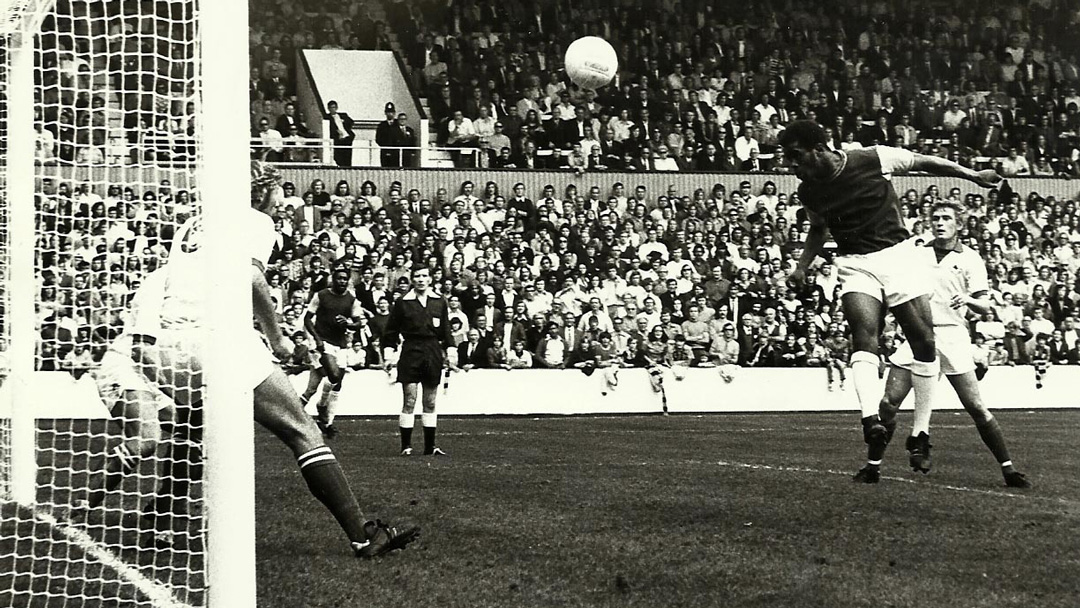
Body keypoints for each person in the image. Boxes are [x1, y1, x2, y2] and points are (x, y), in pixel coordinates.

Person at [133, 161, 419, 558]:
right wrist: (278, 339)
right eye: (280, 195)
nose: (282, 205)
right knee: (302, 430)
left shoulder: (195, 223)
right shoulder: (255, 221)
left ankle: (158, 523)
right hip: (217, 341)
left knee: (189, 436)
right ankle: (363, 535)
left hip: (170, 346)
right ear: (264, 192)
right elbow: (252, 279)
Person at [780, 119, 1003, 478]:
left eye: (795, 156)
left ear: (818, 147)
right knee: (863, 335)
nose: (790, 165)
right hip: (855, 263)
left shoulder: (871, 158)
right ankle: (871, 419)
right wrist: (801, 267)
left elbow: (926, 161)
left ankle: (921, 433)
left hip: (897, 256)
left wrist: (971, 174)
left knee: (924, 344)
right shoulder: (809, 191)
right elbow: (819, 228)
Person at [874, 200, 1031, 488]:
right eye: (935, 217)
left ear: (959, 224)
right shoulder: (918, 252)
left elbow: (984, 306)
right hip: (918, 334)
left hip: (953, 335)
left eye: (946, 218)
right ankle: (873, 466)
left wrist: (969, 300)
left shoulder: (970, 258)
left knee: (976, 406)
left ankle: (1009, 469)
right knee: (888, 403)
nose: (939, 222)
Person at [383, 266, 453, 456]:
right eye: (417, 276)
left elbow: (446, 330)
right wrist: (388, 355)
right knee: (410, 400)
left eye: (424, 276)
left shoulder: (439, 301)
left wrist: (451, 351)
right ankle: (406, 446)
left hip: (432, 352)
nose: (421, 279)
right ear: (412, 279)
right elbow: (390, 332)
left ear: (430, 279)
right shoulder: (403, 302)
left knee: (430, 401)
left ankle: (430, 447)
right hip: (411, 351)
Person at [302, 266, 367, 438]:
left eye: (345, 279)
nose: (342, 281)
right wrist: (316, 339)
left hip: (341, 345)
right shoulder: (321, 295)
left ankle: (327, 423)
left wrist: (348, 323)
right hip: (323, 342)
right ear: (333, 279)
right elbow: (307, 318)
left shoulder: (351, 300)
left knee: (320, 387)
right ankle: (321, 407)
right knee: (334, 375)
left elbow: (359, 323)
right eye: (339, 278)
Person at [326, 100, 355, 167]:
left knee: (347, 155)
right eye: (331, 107)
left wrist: (346, 128)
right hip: (337, 139)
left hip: (347, 138)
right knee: (338, 156)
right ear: (328, 108)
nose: (333, 109)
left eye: (334, 107)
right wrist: (337, 132)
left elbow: (351, 122)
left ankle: (348, 167)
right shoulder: (327, 117)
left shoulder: (343, 115)